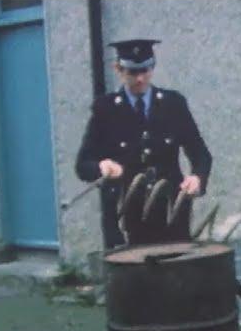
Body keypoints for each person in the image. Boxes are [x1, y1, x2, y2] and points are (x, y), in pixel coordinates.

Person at [75, 39, 212, 248]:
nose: (140, 79)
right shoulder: (106, 109)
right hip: (125, 219)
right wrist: (101, 167)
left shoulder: (173, 104)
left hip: (171, 214)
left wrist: (197, 178)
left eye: (145, 71)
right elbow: (83, 165)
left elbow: (201, 154)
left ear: (153, 67)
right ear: (118, 70)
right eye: (132, 72)